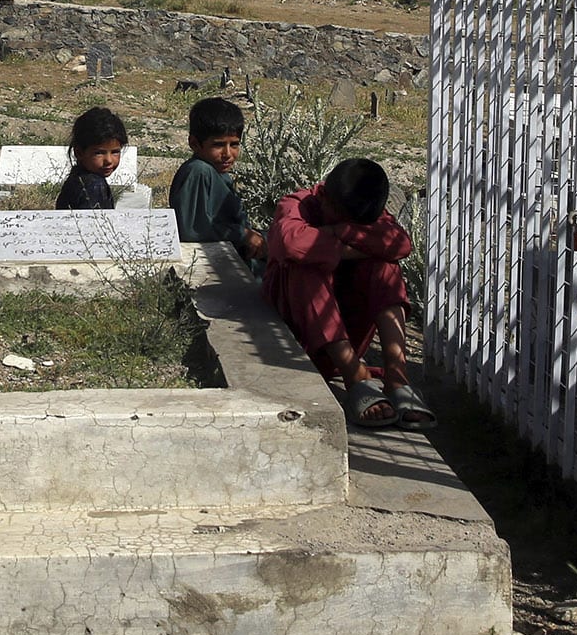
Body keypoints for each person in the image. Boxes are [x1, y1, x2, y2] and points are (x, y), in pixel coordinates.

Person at [264, 158, 431, 428]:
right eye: (344, 220)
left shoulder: (361, 209)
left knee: (384, 267)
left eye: (360, 225)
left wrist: (339, 231)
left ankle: (397, 376)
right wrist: (356, 242)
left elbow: (400, 244)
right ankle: (356, 376)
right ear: (325, 198)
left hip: (345, 330)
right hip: (294, 334)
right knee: (305, 267)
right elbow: (291, 243)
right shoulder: (297, 204)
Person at [169, 97, 264, 262]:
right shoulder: (199, 171)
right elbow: (192, 230)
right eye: (218, 145)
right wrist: (243, 234)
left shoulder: (217, 172)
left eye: (234, 145)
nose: (227, 153)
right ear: (195, 144)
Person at [54, 106, 126, 210]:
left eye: (115, 152)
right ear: (79, 152)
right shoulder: (93, 186)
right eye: (99, 153)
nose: (109, 161)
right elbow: (92, 224)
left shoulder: (80, 178)